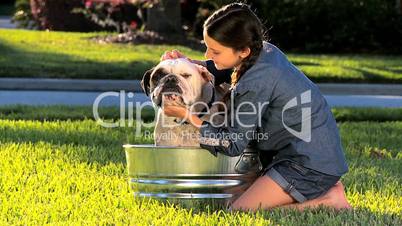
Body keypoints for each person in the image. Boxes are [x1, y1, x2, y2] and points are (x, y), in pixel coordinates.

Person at [160, 3, 351, 211]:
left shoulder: (254, 84)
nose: (207, 55)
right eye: (206, 47)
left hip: (307, 165)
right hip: (307, 155)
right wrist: (187, 63)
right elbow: (224, 68)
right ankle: (315, 191)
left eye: (214, 50)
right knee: (232, 199)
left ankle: (328, 200)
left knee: (238, 211)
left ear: (243, 50)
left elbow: (232, 143)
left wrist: (187, 115)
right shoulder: (262, 51)